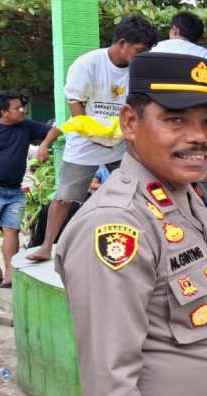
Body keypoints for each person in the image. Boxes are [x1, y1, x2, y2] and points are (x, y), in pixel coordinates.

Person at [54, 52, 207, 396]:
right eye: (176, 120)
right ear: (129, 122)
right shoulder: (117, 224)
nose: (199, 137)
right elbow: (110, 379)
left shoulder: (184, 200)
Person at [26, 14, 158, 262]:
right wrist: (93, 134)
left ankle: (144, 244)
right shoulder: (88, 64)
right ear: (122, 43)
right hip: (85, 141)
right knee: (64, 197)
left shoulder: (139, 71)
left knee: (137, 190)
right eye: (139, 50)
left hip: (121, 141)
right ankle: (46, 246)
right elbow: (76, 102)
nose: (142, 56)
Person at [0, 92, 52, 287]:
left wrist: (44, 145)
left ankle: (9, 274)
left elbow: (55, 130)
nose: (23, 110)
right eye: (17, 108)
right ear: (4, 112)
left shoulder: (26, 126)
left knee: (11, 230)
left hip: (15, 191)